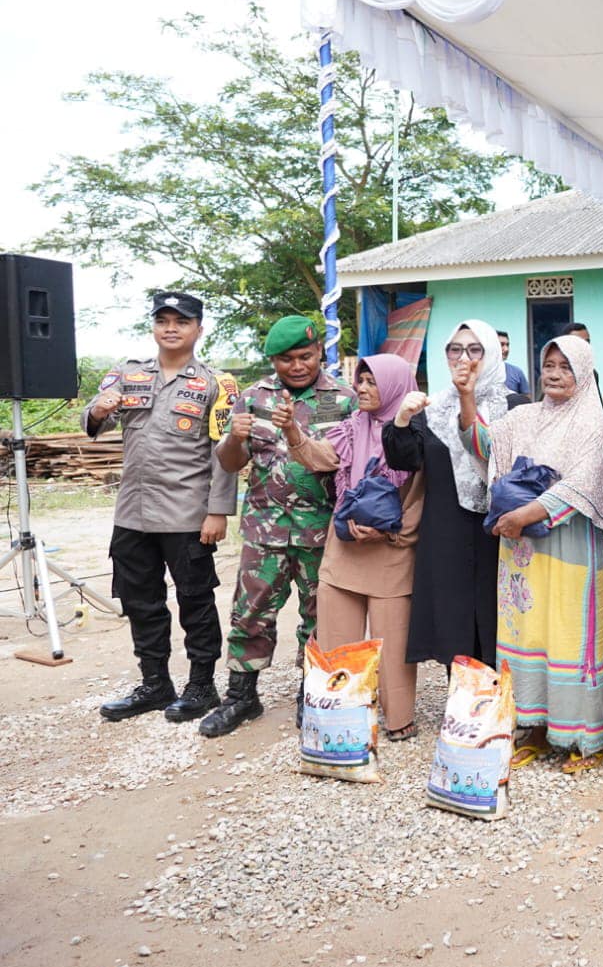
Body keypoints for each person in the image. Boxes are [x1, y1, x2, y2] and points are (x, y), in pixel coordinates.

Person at [86, 292, 239, 723]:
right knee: (140, 601)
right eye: (163, 320)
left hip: (186, 513)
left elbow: (225, 452)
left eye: (181, 321)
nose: (171, 328)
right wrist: (98, 410)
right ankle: (155, 684)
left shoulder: (216, 384)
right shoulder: (127, 373)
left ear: (198, 329)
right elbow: (96, 419)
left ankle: (202, 686)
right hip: (132, 512)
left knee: (195, 601)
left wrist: (217, 510)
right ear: (153, 327)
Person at [201, 315, 357, 736]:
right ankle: (241, 697)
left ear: (319, 351)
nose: (297, 366)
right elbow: (230, 463)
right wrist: (234, 438)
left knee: (321, 616)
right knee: (250, 612)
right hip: (264, 529)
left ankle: (315, 693)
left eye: (305, 356)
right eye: (286, 359)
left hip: (321, 530)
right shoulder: (253, 398)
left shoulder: (344, 399)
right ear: (273, 360)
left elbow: (354, 463)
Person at [472, 335, 603, 771]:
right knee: (527, 635)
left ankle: (586, 740)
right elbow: (484, 445)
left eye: (565, 366)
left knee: (570, 638)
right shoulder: (523, 417)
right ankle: (533, 729)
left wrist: (524, 513)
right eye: (549, 365)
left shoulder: (591, 422)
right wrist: (465, 395)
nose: (554, 374)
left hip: (569, 546)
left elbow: (581, 484)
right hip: (523, 550)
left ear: (583, 373)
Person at [293, 354, 426, 741]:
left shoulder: (416, 435)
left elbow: (420, 497)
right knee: (335, 636)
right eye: (360, 381)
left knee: (392, 642)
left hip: (392, 550)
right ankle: (341, 713)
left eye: (372, 382)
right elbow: (322, 457)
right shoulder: (352, 426)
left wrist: (393, 533)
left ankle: (399, 718)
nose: (362, 389)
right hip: (346, 546)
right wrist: (291, 433)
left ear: (395, 387)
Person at [384, 320, 506, 670]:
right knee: (455, 627)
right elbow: (404, 459)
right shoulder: (432, 408)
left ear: (491, 354)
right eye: (455, 349)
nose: (463, 358)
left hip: (499, 532)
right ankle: (462, 699)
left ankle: (502, 697)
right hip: (447, 529)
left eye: (474, 349)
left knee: (497, 622)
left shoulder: (513, 406)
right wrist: (402, 420)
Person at [498, 330, 530, 394]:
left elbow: (527, 398)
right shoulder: (481, 372)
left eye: (507, 345)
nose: (506, 349)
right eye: (501, 344)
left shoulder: (517, 372)